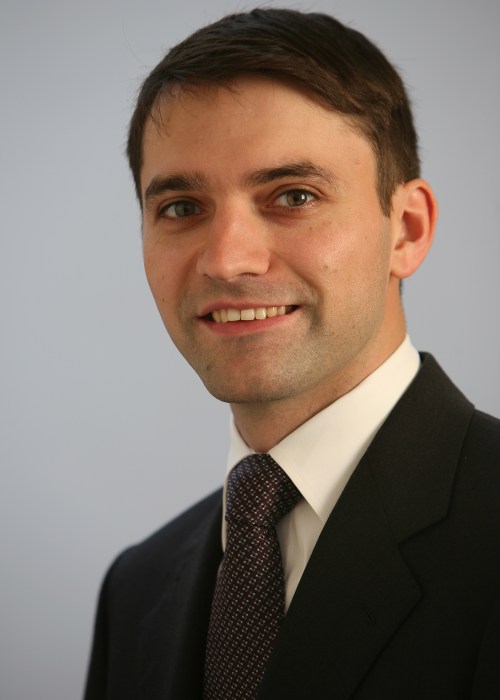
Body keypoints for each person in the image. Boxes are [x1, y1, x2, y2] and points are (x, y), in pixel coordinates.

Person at [84, 8, 500, 699]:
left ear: (407, 230)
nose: (227, 260)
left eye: (293, 196)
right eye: (182, 207)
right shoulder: (137, 589)